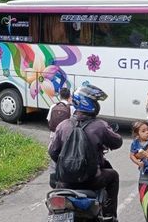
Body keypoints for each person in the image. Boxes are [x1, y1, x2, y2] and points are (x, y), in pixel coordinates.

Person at [48, 84, 123, 222]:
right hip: (92, 180)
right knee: (113, 176)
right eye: (95, 101)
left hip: (66, 183)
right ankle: (109, 215)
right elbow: (117, 142)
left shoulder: (63, 125)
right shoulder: (100, 125)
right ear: (88, 103)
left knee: (54, 197)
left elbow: (53, 152)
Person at [46, 87, 72, 188]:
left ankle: (53, 178)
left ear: (60, 95)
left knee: (53, 154)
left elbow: (49, 121)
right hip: (66, 137)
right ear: (69, 96)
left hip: (54, 136)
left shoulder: (53, 106)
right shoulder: (71, 108)